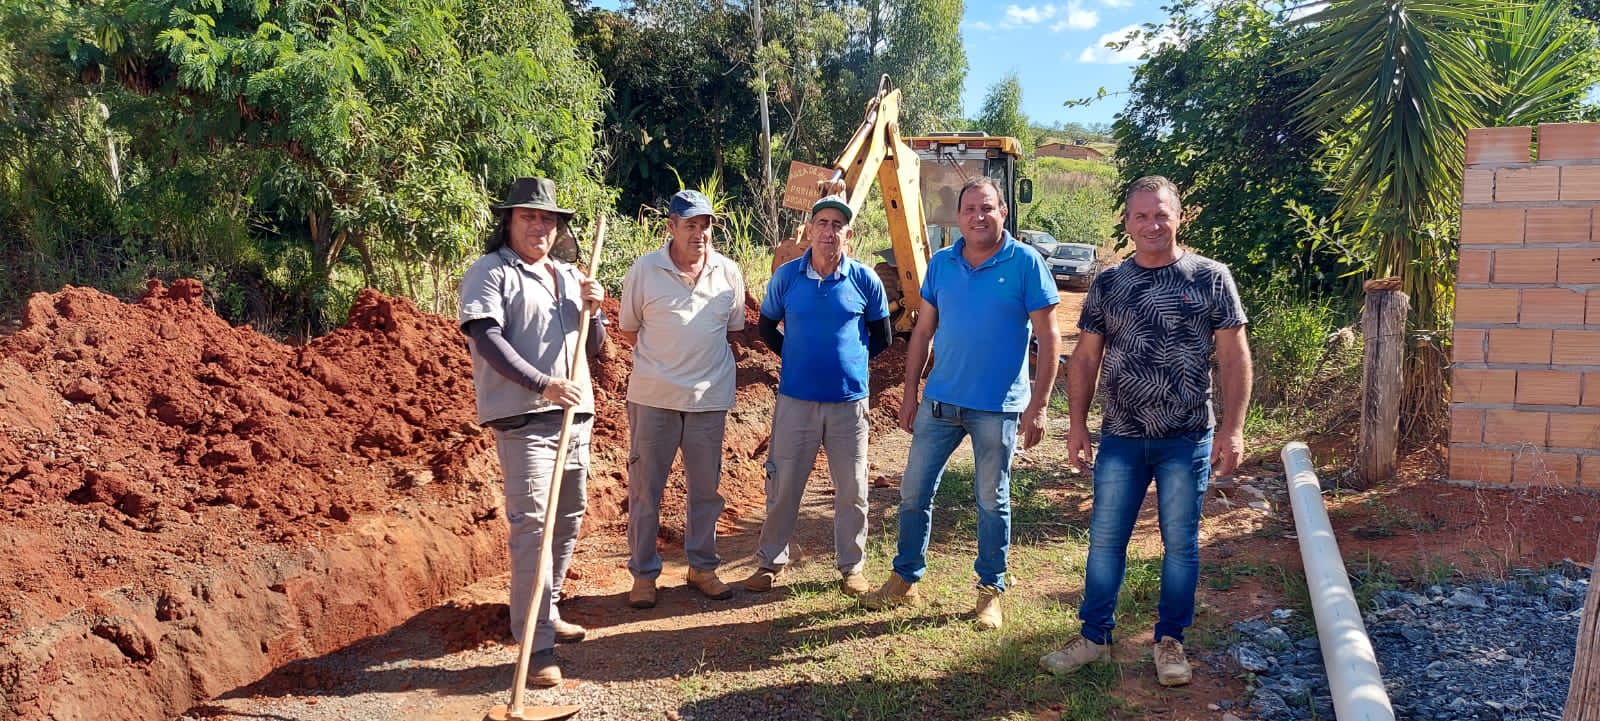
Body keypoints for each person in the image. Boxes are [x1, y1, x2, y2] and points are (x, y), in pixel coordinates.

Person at [1039, 175, 1252, 687]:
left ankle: (1170, 641)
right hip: (1121, 437)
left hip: (1187, 437)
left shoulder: (1211, 278)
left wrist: (1234, 428)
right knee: (1106, 541)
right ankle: (1095, 638)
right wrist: (1076, 426)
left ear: (1178, 216)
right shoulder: (1109, 283)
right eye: (1140, 216)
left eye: (1161, 214)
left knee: (1180, 545)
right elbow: (1086, 357)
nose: (1151, 224)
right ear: (1127, 224)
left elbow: (1233, 356)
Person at [862, 176, 1061, 631]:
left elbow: (1049, 339)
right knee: (913, 493)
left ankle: (990, 591)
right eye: (969, 209)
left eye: (987, 208)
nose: (978, 216)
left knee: (992, 500)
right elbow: (923, 333)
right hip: (940, 403)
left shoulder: (1026, 263)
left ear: (1003, 212)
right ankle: (905, 577)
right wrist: (911, 392)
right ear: (958, 216)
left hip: (997, 407)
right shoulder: (942, 265)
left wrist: (1040, 405)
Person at [458, 177, 607, 687]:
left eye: (547, 218)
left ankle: (551, 610)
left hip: (574, 416)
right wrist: (542, 384)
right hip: (526, 421)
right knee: (533, 529)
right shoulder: (490, 272)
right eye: (529, 216)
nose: (540, 226)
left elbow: (593, 349)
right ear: (509, 221)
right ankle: (536, 644)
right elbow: (487, 339)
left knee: (567, 520)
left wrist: (596, 309)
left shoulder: (568, 276)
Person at [742, 195, 892, 597]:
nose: (829, 231)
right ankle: (770, 561)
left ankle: (852, 567)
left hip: (849, 404)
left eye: (837, 225)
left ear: (849, 234)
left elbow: (882, 336)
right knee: (784, 484)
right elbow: (767, 327)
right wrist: (795, 358)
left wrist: (850, 365)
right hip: (796, 400)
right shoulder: (787, 277)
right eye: (822, 223)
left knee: (853, 489)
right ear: (809, 230)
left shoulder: (865, 280)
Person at [618, 189, 748, 608]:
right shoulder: (644, 270)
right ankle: (643, 575)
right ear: (670, 227)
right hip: (653, 397)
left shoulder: (728, 273)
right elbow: (629, 328)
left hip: (709, 399)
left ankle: (702, 567)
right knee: (644, 491)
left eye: (706, 224)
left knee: (706, 491)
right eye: (690, 224)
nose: (700, 233)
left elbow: (732, 332)